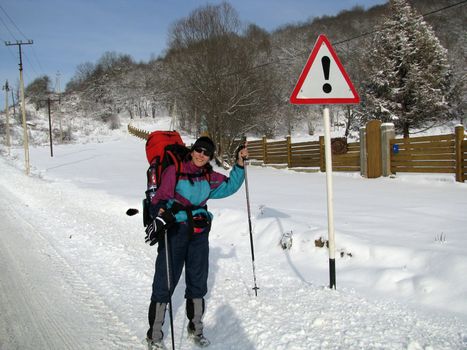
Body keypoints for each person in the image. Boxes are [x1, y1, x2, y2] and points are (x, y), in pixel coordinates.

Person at [145, 136, 248, 349]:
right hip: (174, 231)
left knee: (198, 280)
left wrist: (239, 164)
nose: (202, 155)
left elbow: (230, 187)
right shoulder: (175, 170)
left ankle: (196, 328)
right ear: (192, 150)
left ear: (211, 157)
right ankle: (154, 335)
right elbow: (159, 199)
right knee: (165, 281)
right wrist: (160, 216)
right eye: (199, 150)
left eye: (207, 153)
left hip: (199, 232)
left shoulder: (208, 176)